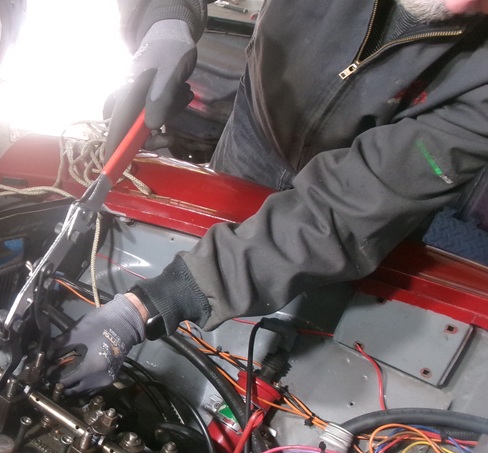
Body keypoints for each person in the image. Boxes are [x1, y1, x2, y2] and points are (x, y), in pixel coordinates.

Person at [52, 0, 488, 395]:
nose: (463, 4)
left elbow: (347, 213)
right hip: (254, 137)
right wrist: (165, 20)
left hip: (366, 205)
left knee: (277, 313)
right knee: (203, 267)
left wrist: (154, 303)